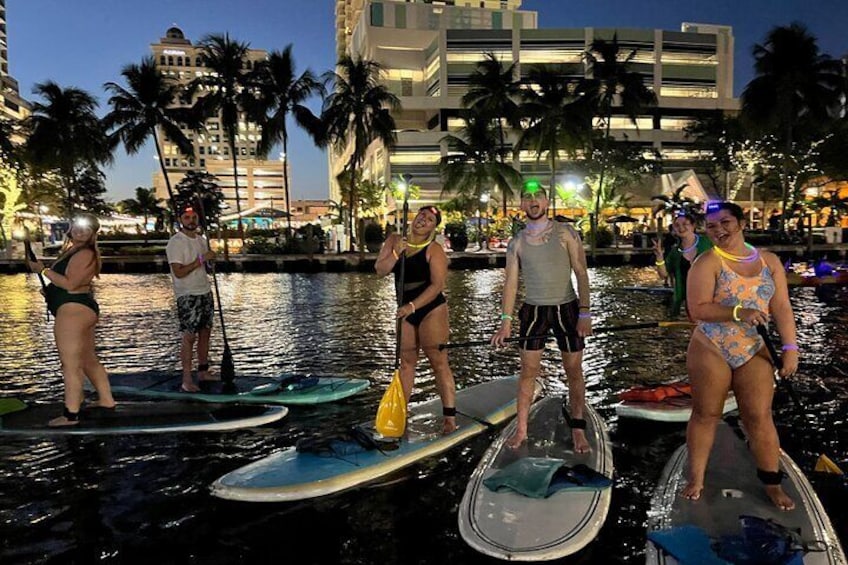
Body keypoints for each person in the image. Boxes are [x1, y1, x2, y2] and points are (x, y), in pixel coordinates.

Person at [684, 201, 799, 511]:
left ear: (741, 222)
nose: (719, 230)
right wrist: (739, 311)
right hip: (712, 345)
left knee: (760, 416)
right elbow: (698, 310)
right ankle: (696, 477)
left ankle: (772, 482)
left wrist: (790, 348)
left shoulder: (770, 262)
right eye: (711, 226)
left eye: (725, 222)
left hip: (753, 348)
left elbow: (782, 308)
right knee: (707, 413)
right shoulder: (707, 263)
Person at [491, 182, 593, 451]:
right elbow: (511, 284)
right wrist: (505, 321)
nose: (533, 201)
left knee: (573, 370)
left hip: (567, 309)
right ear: (522, 205)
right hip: (534, 311)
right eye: (527, 197)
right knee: (528, 371)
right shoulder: (516, 242)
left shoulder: (566, 233)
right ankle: (522, 430)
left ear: (546, 203)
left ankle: (578, 429)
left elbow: (581, 272)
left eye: (538, 196)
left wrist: (585, 312)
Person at [27, 213, 116, 426]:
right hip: (78, 309)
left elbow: (70, 284)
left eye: (87, 229)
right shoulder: (74, 251)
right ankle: (106, 400)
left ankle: (70, 414)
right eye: (77, 226)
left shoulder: (85, 253)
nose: (80, 230)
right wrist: (49, 289)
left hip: (73, 312)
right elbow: (66, 283)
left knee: (70, 365)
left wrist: (44, 270)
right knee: (87, 359)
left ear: (93, 234)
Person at [375, 205, 457, 434]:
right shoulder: (394, 240)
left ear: (433, 227)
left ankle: (450, 417)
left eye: (430, 219)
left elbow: (437, 285)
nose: (424, 220)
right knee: (407, 363)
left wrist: (411, 307)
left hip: (430, 308)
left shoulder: (434, 249)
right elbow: (380, 270)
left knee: (437, 361)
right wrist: (394, 253)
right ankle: (400, 412)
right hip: (405, 311)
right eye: (422, 215)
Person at [166, 205, 217, 393]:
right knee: (189, 336)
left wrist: (210, 261)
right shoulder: (176, 242)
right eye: (187, 217)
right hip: (187, 293)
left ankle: (203, 371)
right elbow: (178, 272)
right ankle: (187, 379)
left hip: (204, 291)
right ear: (180, 220)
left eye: (194, 217)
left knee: (206, 331)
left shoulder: (201, 240)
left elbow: (206, 267)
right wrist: (202, 260)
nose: (191, 220)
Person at [652, 210, 713, 318]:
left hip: (711, 297)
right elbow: (664, 274)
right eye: (677, 225)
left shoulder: (708, 243)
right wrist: (659, 256)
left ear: (693, 226)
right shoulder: (675, 252)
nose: (681, 228)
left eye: (685, 224)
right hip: (687, 301)